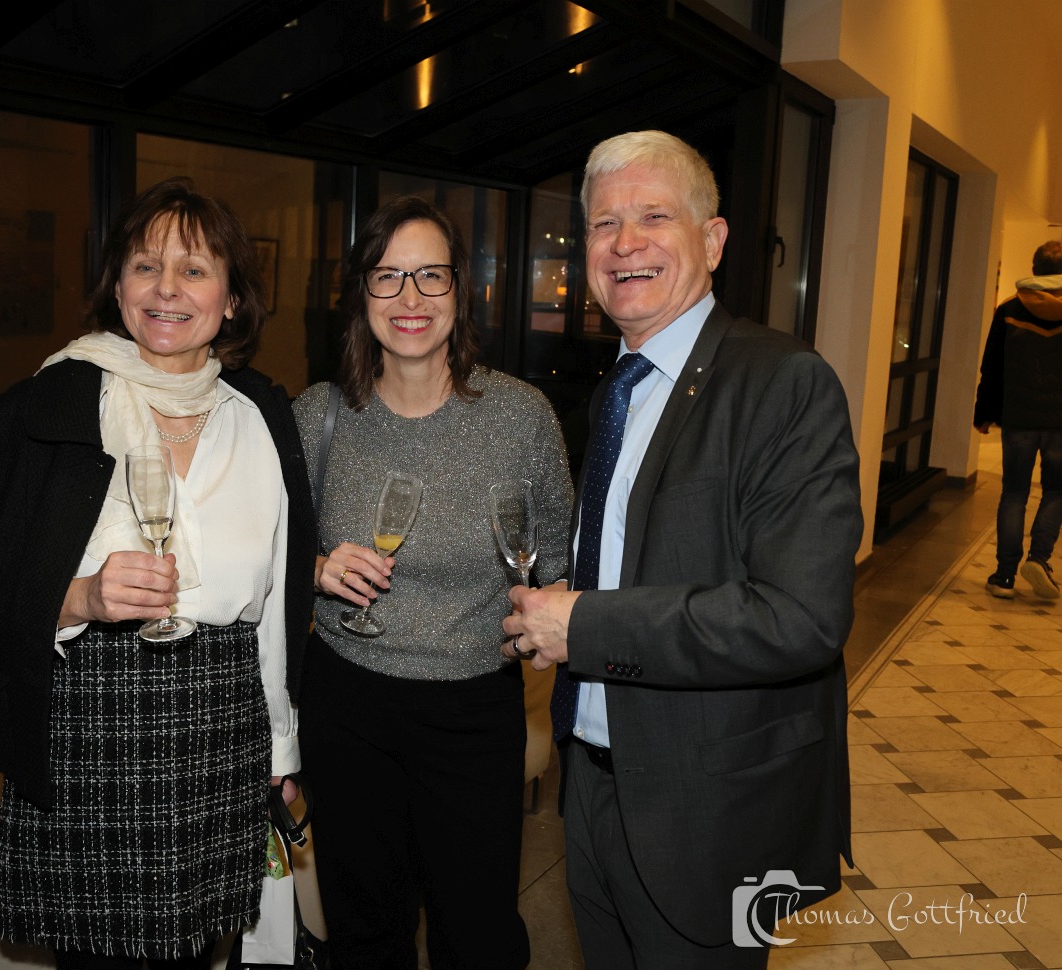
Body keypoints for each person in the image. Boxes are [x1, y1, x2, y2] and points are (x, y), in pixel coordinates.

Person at [0, 177, 316, 970]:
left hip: (222, 733)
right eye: (145, 266)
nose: (167, 289)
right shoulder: (37, 415)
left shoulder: (262, 418)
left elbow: (274, 615)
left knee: (198, 953)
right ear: (117, 287)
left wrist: (280, 754)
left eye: (194, 269)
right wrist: (80, 596)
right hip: (88, 731)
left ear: (232, 299)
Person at [501, 131, 863, 969]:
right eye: (604, 224)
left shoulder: (783, 383)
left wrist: (583, 626)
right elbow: (640, 557)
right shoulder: (618, 388)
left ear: (714, 239)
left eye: (654, 216)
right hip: (592, 789)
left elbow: (801, 618)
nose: (625, 243)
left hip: (709, 813)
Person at [292, 195, 573, 970]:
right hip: (346, 704)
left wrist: (539, 621)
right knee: (364, 932)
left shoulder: (520, 418)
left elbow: (556, 561)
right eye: (387, 277)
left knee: (477, 937)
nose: (410, 297)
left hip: (472, 712)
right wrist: (316, 569)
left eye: (430, 275)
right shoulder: (319, 416)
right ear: (361, 294)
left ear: (460, 290)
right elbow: (270, 554)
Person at [974, 240, 1062, 601]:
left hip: (1019, 418)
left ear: (1034, 269)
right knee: (1057, 490)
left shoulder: (1010, 309)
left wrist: (984, 413)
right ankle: (1039, 559)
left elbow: (992, 366)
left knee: (1014, 493)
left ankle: (1004, 576)